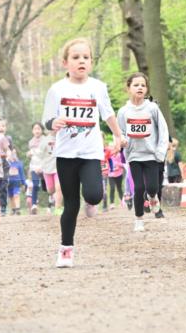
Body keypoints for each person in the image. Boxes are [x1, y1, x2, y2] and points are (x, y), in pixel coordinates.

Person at [43, 37, 122, 267]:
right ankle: (66, 249)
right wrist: (54, 122)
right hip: (66, 154)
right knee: (70, 204)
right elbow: (47, 119)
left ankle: (91, 201)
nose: (81, 61)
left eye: (86, 58)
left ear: (91, 62)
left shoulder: (98, 87)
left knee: (94, 195)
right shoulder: (57, 89)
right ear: (65, 63)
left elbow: (107, 113)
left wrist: (118, 134)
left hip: (90, 152)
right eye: (76, 58)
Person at [117, 72, 169, 232]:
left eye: (143, 85)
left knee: (152, 188)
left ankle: (153, 197)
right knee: (138, 188)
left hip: (151, 155)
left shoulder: (152, 108)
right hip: (134, 156)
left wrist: (160, 152)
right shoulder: (123, 111)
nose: (140, 87)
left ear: (146, 89)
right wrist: (122, 141)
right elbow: (119, 132)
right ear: (128, 88)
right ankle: (139, 219)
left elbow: (163, 130)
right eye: (136, 85)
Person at [30, 128, 60, 213]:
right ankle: (51, 197)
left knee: (59, 188)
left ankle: (58, 209)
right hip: (47, 169)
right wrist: (39, 166)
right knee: (50, 190)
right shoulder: (45, 141)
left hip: (58, 168)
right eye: (53, 128)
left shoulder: (62, 138)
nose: (55, 130)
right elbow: (39, 155)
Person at [0, 118, 14, 216]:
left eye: (2, 126)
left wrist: (9, 157)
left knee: (3, 185)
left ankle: (3, 207)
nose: (0, 128)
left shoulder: (8, 138)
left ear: (5, 128)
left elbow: (11, 150)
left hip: (5, 164)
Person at [27, 122, 44, 214]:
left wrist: (42, 167)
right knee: (35, 185)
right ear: (32, 131)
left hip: (45, 167)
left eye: (38, 129)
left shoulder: (45, 140)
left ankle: (52, 204)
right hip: (34, 167)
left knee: (48, 188)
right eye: (35, 129)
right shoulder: (30, 142)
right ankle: (34, 205)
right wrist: (28, 154)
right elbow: (32, 154)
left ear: (42, 130)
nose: (37, 131)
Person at [7, 148, 26, 215]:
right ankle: (13, 209)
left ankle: (18, 209)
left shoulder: (19, 163)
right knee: (10, 196)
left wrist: (24, 183)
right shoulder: (7, 162)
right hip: (8, 182)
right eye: (12, 153)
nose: (13, 155)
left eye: (15, 153)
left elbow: (22, 173)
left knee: (16, 195)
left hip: (16, 181)